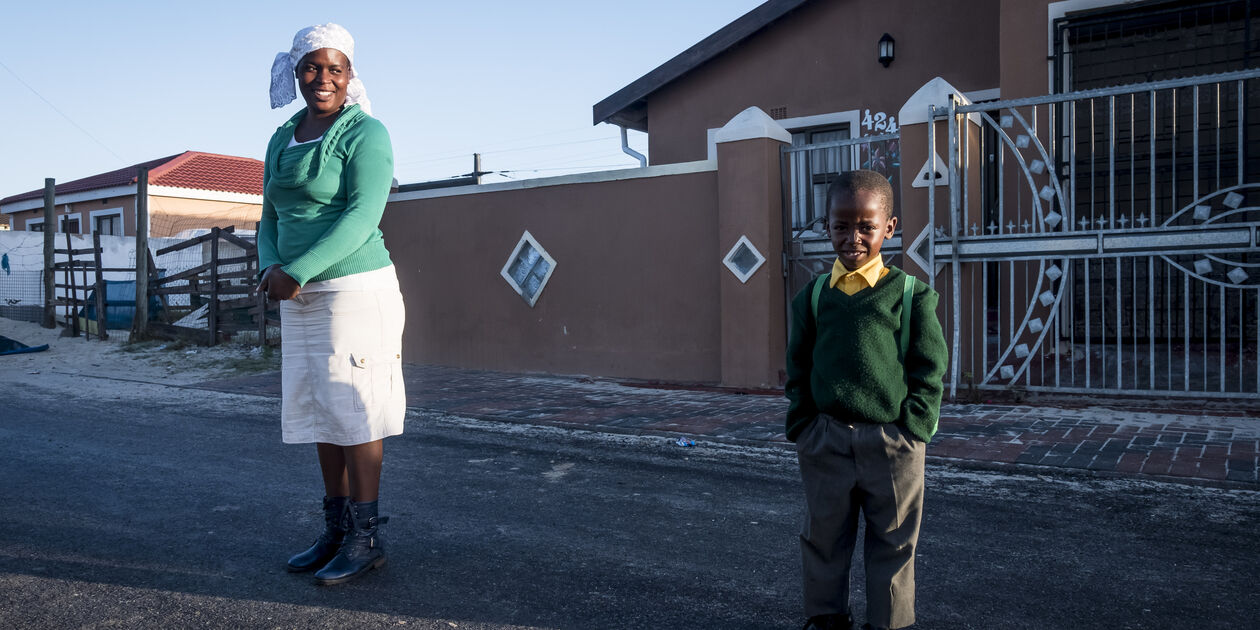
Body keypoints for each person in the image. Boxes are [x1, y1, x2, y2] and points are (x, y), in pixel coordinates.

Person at [257, 23, 404, 586]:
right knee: (322, 408)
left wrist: (297, 270)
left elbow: (363, 215)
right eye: (312, 68)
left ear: (350, 76)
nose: (323, 78)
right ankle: (337, 529)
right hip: (298, 290)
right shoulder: (281, 136)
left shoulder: (366, 134)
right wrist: (271, 266)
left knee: (355, 407)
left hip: (354, 290)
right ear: (296, 73)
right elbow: (267, 212)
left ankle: (367, 537)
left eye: (334, 69)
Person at [784, 170, 948, 630]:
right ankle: (826, 619)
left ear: (889, 228)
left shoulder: (911, 295)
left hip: (893, 445)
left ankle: (890, 622)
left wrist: (914, 428)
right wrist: (803, 424)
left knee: (894, 542)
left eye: (866, 226)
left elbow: (930, 368)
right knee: (823, 537)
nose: (852, 237)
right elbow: (797, 366)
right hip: (825, 441)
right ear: (827, 226)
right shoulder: (813, 298)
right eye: (841, 226)